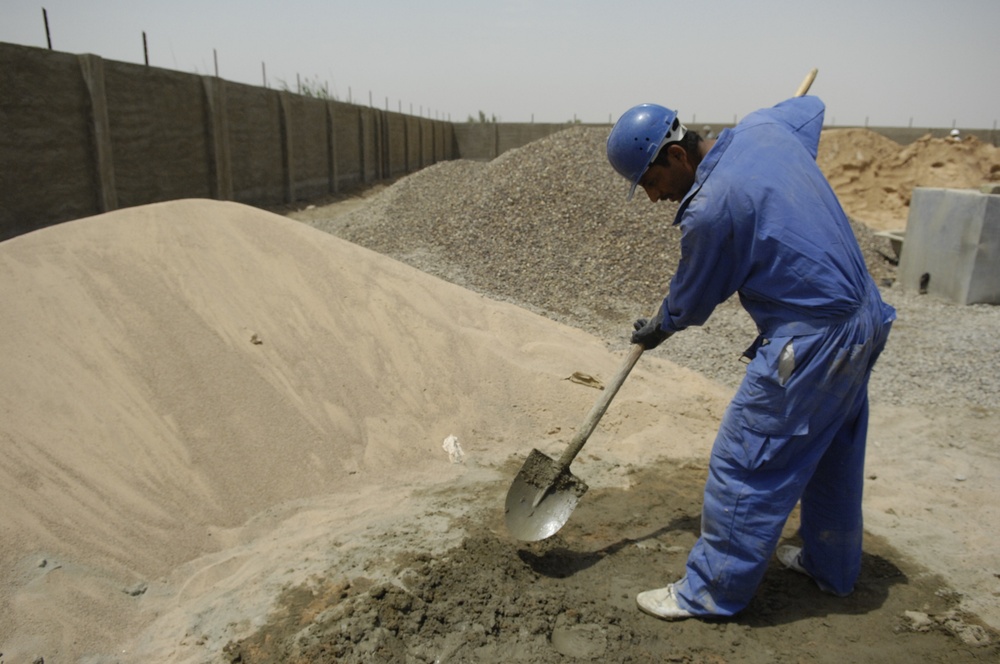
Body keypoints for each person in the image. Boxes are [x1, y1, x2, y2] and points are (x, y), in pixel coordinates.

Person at [605, 96, 896, 621]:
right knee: (832, 451)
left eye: (650, 182)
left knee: (746, 463)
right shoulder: (764, 129)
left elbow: (693, 299)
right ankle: (831, 568)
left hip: (811, 345)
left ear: (676, 156)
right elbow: (810, 106)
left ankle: (710, 592)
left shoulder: (711, 208)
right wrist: (772, 140)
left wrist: (659, 327)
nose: (652, 198)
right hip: (864, 319)